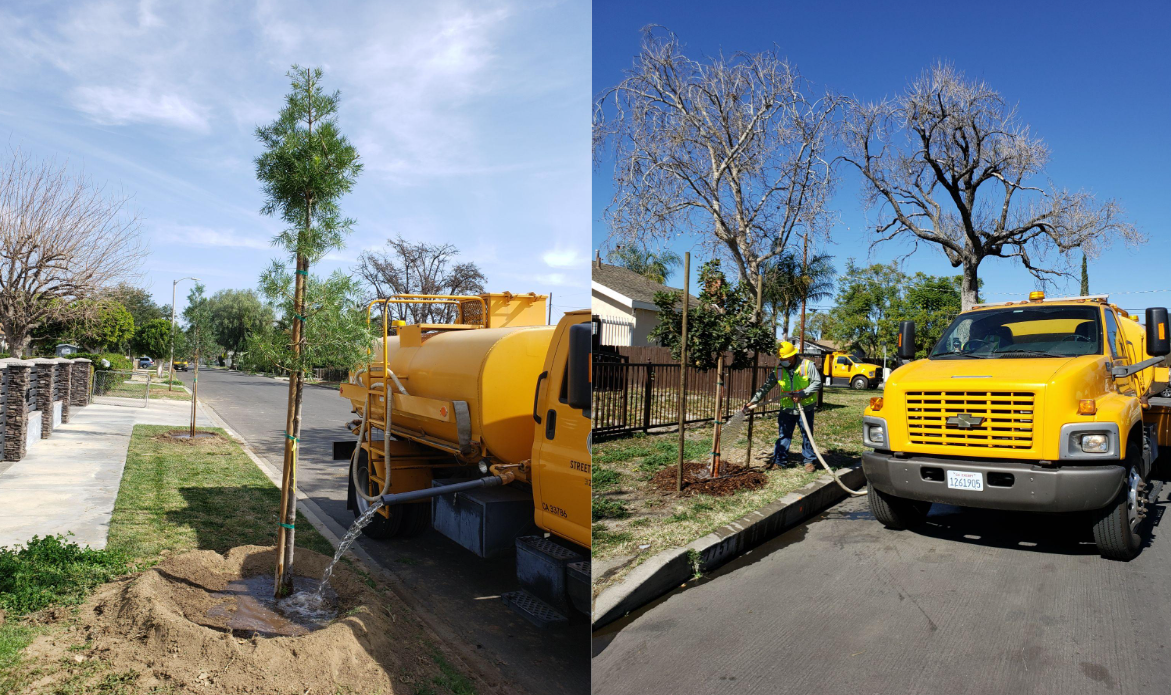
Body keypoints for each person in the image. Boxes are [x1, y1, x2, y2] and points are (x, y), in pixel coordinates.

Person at [743, 341, 823, 472]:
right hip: (787, 409)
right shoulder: (779, 369)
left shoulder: (807, 365)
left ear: (792, 356)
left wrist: (802, 394)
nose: (782, 360)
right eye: (781, 358)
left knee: (807, 435)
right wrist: (753, 401)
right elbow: (766, 386)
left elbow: (817, 383)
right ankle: (780, 462)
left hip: (805, 407)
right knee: (784, 435)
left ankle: (809, 461)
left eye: (784, 358)